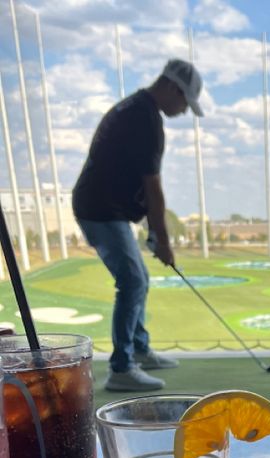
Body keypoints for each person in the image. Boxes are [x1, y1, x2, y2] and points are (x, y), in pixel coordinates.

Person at [73, 59, 204, 392]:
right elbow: (153, 189)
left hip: (105, 206)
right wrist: (161, 239)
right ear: (172, 88)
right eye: (185, 102)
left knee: (138, 279)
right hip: (101, 209)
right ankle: (121, 368)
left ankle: (141, 350)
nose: (184, 110)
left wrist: (153, 232)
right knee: (132, 280)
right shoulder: (144, 118)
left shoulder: (137, 109)